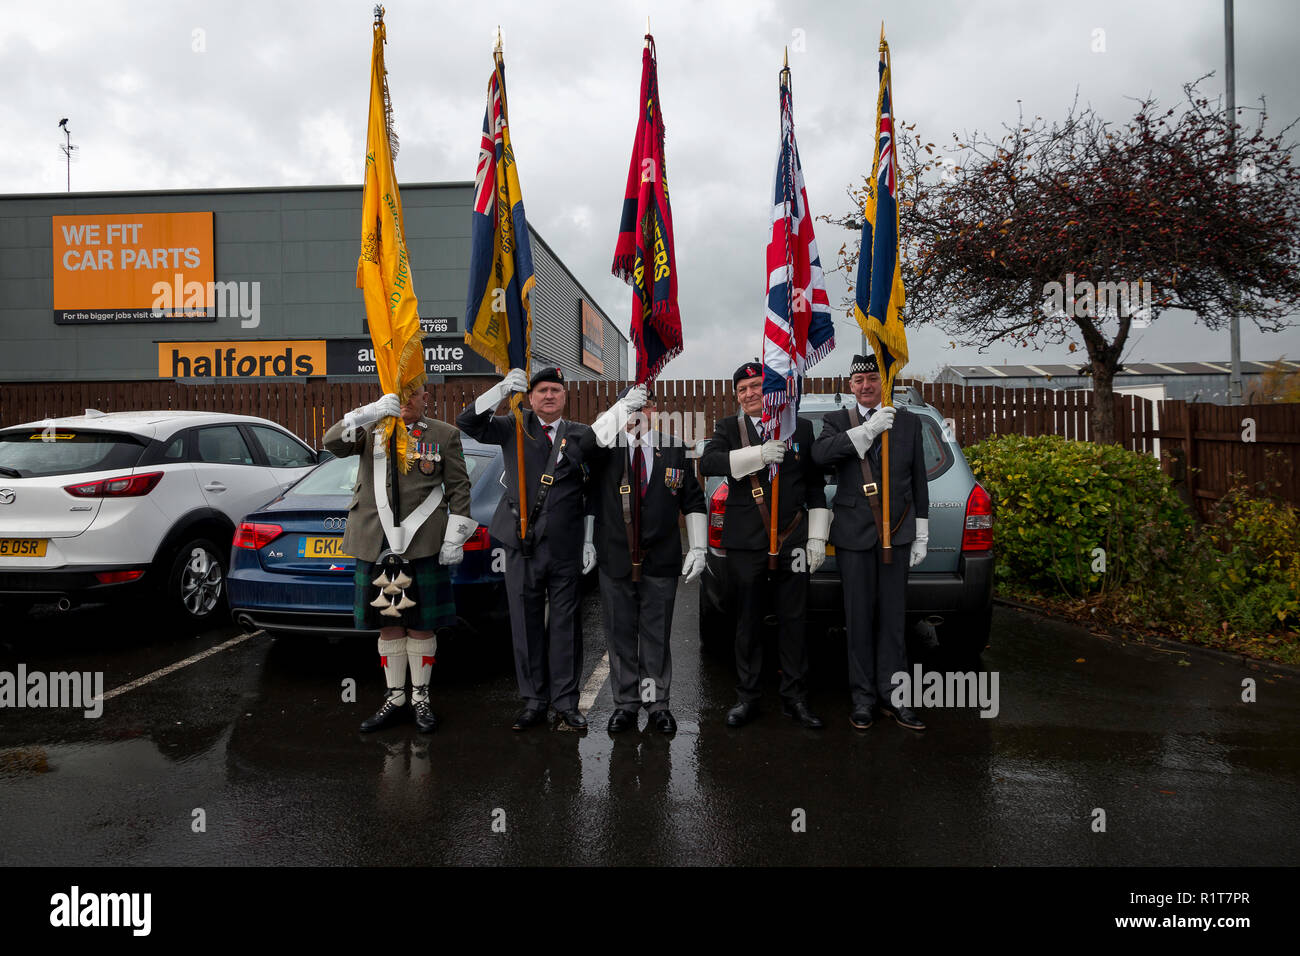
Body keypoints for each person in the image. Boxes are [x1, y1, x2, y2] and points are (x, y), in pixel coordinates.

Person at [323, 383, 476, 734]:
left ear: (427, 398)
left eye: (415, 394)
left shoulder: (444, 434)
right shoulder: (371, 430)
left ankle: (420, 697)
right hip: (376, 542)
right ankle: (395, 697)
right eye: (401, 394)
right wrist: (366, 413)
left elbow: (459, 487)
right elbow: (331, 443)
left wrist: (456, 535)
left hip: (423, 542)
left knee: (421, 625)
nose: (408, 400)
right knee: (388, 624)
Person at [457, 366, 596, 731]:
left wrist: (590, 539)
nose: (549, 396)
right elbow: (468, 423)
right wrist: (500, 390)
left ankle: (566, 702)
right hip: (522, 544)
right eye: (542, 391)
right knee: (525, 621)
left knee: (566, 626)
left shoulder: (580, 435)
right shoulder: (513, 427)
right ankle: (533, 701)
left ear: (565, 397)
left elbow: (595, 489)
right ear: (530, 397)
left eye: (555, 390)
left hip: (565, 546)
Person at [698, 362, 830, 729]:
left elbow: (815, 486)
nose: (749, 393)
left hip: (793, 539)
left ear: (769, 390)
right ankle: (748, 697)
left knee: (795, 621)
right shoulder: (729, 427)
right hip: (746, 542)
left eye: (756, 386)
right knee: (748, 622)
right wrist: (757, 455)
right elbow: (708, 463)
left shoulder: (799, 427)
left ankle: (795, 697)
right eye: (742, 389)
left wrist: (818, 536)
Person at [811, 354, 930, 731]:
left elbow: (919, 480)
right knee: (858, 621)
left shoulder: (908, 422)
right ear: (850, 386)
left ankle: (895, 699)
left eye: (872, 379)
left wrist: (921, 531)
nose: (865, 385)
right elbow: (820, 456)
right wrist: (866, 431)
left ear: (884, 382)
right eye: (858, 380)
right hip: (853, 536)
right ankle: (862, 699)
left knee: (893, 623)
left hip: (896, 532)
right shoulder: (836, 422)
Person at [588, 384, 707, 735]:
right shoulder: (605, 448)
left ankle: (657, 703)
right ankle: (625, 705)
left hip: (661, 560)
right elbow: (588, 496)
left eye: (648, 406)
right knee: (620, 636)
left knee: (656, 637)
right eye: (632, 408)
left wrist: (698, 547)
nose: (640, 414)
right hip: (615, 559)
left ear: (656, 411)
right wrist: (588, 543)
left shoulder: (673, 449)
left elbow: (693, 500)